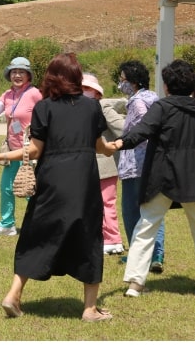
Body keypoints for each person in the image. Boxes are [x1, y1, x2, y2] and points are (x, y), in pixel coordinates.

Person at [0, 53, 112, 322]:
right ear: (77, 77)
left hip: (51, 178)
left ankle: (13, 295)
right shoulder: (92, 107)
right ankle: (90, 309)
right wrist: (110, 148)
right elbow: (98, 145)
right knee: (88, 236)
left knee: (36, 233)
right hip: (83, 180)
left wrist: (1, 155)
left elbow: (34, 150)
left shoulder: (44, 107)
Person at [102, 59, 195, 297]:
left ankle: (135, 283)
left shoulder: (162, 107)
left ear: (167, 85)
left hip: (162, 174)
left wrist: (119, 143)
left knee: (146, 226)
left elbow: (141, 131)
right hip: (192, 175)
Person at [0, 57, 43, 236]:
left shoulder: (35, 93)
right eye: (14, 72)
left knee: (30, 189)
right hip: (12, 151)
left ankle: (41, 225)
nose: (17, 75)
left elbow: (47, 115)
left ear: (28, 75)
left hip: (30, 151)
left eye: (21, 72)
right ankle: (7, 225)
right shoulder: (7, 94)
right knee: (6, 187)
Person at [116, 60, 166, 273]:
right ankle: (157, 254)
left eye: (123, 80)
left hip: (135, 163)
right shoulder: (154, 99)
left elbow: (142, 130)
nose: (120, 84)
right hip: (152, 161)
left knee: (131, 211)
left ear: (133, 82)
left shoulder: (137, 102)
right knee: (152, 210)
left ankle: (138, 255)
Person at [82, 73, 125, 255]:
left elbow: (123, 127)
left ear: (97, 92)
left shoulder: (103, 106)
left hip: (105, 163)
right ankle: (97, 238)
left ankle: (113, 240)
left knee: (106, 202)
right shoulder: (78, 108)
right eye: (80, 88)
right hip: (86, 164)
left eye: (87, 88)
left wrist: (116, 144)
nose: (83, 91)